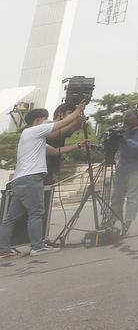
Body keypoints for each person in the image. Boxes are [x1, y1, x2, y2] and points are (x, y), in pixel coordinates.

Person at [0, 101, 86, 258]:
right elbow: (60, 125)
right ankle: (37, 247)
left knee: (10, 218)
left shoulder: (31, 136)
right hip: (31, 179)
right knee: (36, 213)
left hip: (20, 180)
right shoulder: (35, 131)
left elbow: (55, 150)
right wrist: (77, 111)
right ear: (39, 120)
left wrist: (77, 146)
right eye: (46, 120)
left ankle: (3, 250)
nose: (48, 123)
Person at [110, 108, 138, 234]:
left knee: (132, 196)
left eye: (130, 122)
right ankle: (112, 220)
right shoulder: (124, 128)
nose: (127, 125)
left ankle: (127, 224)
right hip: (124, 164)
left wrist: (126, 141)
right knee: (117, 195)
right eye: (126, 122)